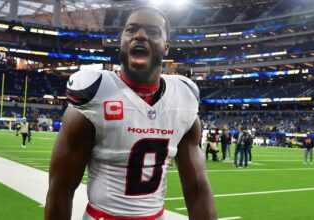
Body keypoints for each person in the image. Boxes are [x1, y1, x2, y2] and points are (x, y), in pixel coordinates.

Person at [45, 6, 216, 220]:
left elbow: (197, 190)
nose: (140, 35)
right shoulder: (95, 95)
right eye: (131, 29)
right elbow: (60, 189)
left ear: (166, 47)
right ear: (122, 40)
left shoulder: (183, 99)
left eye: (152, 32)